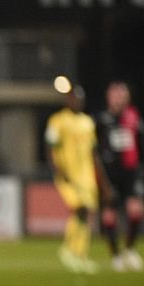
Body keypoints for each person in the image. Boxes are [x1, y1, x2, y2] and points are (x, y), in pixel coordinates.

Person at [95, 81, 144, 272]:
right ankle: (116, 256)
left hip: (131, 172)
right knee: (110, 216)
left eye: (123, 95)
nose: (120, 99)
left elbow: (143, 144)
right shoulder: (102, 120)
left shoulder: (134, 117)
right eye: (116, 95)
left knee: (136, 210)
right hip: (110, 175)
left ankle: (130, 249)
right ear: (109, 98)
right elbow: (94, 150)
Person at [44, 85, 100, 273]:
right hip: (68, 175)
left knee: (87, 213)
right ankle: (68, 250)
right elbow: (50, 147)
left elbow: (93, 152)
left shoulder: (88, 122)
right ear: (68, 100)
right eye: (73, 98)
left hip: (87, 177)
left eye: (79, 99)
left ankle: (80, 254)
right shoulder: (58, 120)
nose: (76, 101)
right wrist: (58, 169)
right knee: (81, 209)